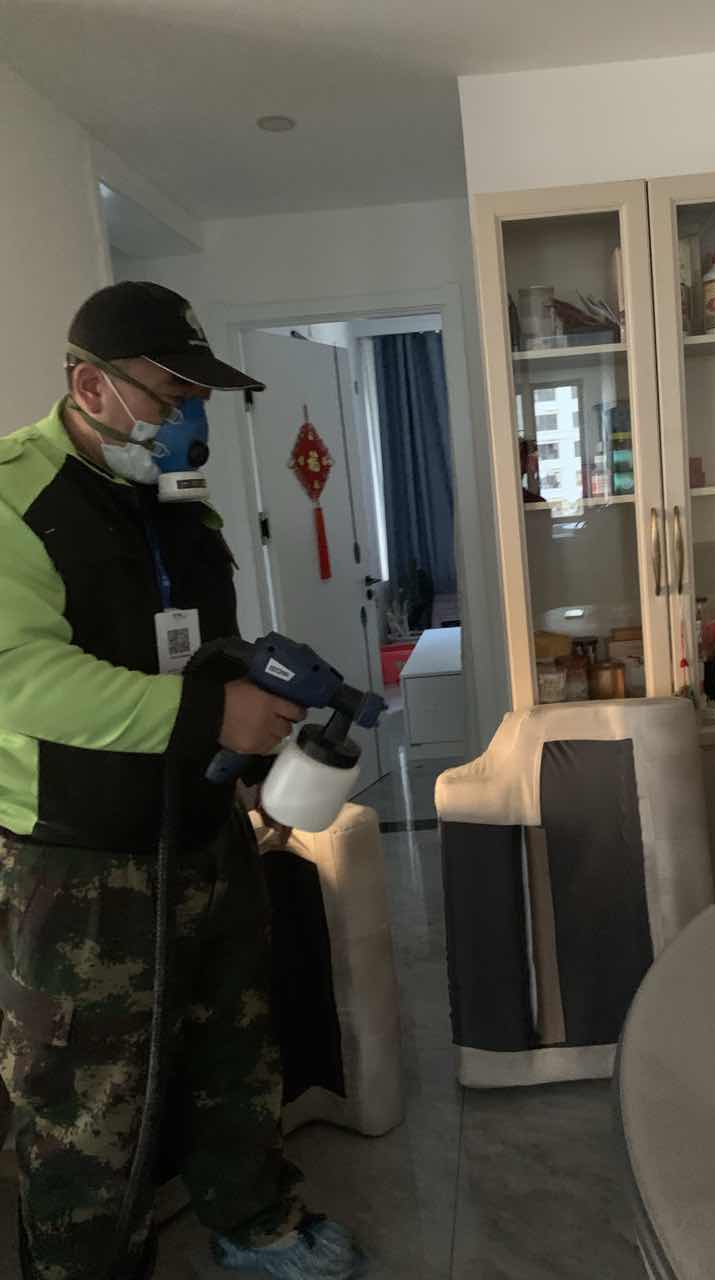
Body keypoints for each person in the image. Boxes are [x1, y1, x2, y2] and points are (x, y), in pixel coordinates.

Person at [0, 282, 366, 1279]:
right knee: (86, 1102)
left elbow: (203, 650)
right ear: (91, 387)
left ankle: (255, 1220)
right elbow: (18, 676)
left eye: (200, 396)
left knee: (236, 1052)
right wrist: (207, 716)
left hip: (207, 835)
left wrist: (249, 755)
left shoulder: (177, 504)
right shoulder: (15, 498)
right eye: (171, 395)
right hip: (83, 867)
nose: (190, 418)